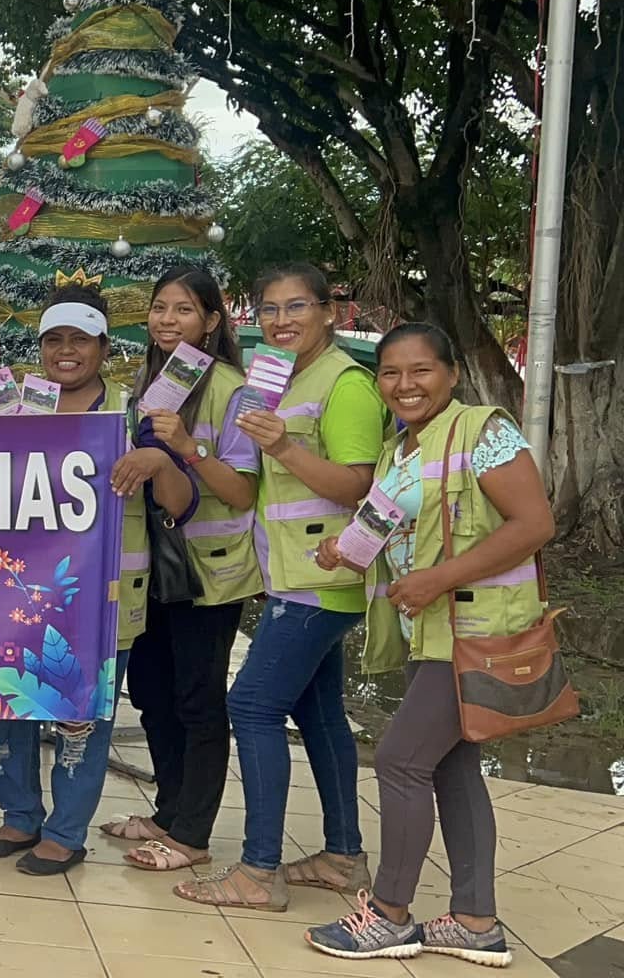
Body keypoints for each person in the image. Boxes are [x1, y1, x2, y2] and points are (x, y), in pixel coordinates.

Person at [302, 324, 550, 966]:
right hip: (430, 632)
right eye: (390, 373)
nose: (404, 385)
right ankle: (474, 921)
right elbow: (387, 531)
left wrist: (437, 578)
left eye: (421, 371)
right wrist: (342, 550)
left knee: (399, 761)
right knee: (449, 765)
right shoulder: (398, 451)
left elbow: (534, 523)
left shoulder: (483, 431)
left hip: (476, 629)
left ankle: (387, 916)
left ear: (452, 374)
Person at [179, 263, 387, 910]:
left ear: (332, 312)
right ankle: (343, 856)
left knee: (252, 706)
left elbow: (358, 484)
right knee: (318, 711)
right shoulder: (281, 381)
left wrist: (285, 447)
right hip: (293, 576)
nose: (281, 320)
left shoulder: (345, 383)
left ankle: (257, 870)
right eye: (269, 309)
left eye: (297, 306)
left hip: (323, 579)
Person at [0, 287, 195, 875]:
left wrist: (161, 460)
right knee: (3, 704)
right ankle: (19, 814)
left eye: (79, 339)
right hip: (13, 592)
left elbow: (180, 502)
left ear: (102, 345)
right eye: (54, 340)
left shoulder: (135, 413)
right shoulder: (16, 408)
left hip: (102, 596)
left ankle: (66, 831)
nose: (65, 352)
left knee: (82, 714)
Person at [107, 267, 266, 873]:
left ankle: (192, 835)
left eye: (184, 310)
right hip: (150, 564)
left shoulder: (234, 391)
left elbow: (243, 491)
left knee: (199, 698)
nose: (168, 321)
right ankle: (167, 810)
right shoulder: (146, 383)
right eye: (159, 308)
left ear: (212, 321)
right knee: (150, 691)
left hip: (209, 571)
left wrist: (185, 448)